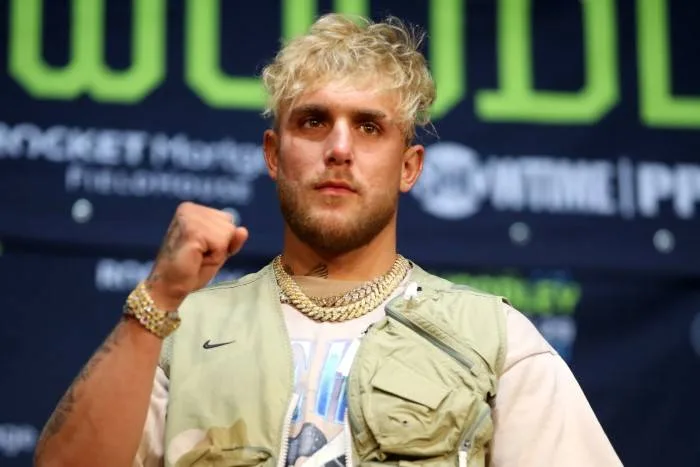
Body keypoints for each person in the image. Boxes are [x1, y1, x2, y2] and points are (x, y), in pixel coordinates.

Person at [34, 13, 622, 467]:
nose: (339, 148)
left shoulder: (494, 339)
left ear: (409, 167)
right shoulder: (181, 332)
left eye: (369, 126)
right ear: (274, 154)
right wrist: (158, 299)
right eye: (313, 121)